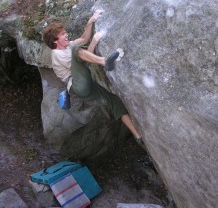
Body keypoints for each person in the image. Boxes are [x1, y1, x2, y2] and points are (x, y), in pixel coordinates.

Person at [43, 10, 145, 148]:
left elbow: (84, 39)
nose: (66, 35)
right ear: (55, 41)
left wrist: (91, 20)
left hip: (87, 86)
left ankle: (137, 135)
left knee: (114, 101)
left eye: (65, 32)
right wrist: (95, 42)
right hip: (77, 85)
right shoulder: (58, 54)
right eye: (62, 34)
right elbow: (83, 60)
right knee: (76, 50)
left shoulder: (67, 47)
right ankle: (104, 61)